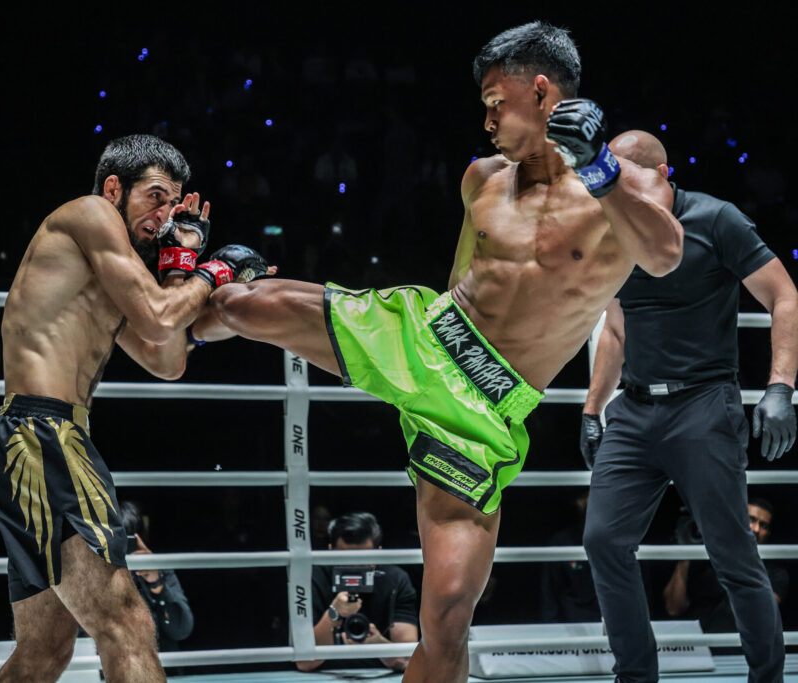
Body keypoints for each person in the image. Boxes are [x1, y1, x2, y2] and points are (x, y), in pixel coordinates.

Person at [191, 22, 683, 681]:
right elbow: (460, 278)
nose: (486, 120)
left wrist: (600, 168)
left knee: (447, 618)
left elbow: (664, 254)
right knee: (248, 302)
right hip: (422, 333)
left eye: (494, 100)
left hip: (480, 410)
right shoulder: (481, 178)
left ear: (540, 91)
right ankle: (170, 298)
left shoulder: (616, 186)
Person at [0, 134, 269, 683]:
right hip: (43, 434)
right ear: (114, 188)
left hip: (40, 441)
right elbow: (163, 318)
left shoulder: (113, 274)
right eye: (156, 198)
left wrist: (186, 266)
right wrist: (216, 271)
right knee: (128, 626)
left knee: (44, 653)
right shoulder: (89, 214)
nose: (164, 216)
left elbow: (169, 360)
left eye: (175, 205)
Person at [579, 129, 797, 682]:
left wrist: (779, 387)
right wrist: (590, 408)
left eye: (634, 185)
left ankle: (767, 677)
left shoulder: (716, 218)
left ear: (664, 172)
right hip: (633, 409)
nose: (626, 199)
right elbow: (616, 327)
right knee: (602, 540)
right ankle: (636, 676)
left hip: (703, 403)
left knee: (732, 554)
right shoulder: (613, 227)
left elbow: (784, 294)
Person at [298, 512, 418, 673]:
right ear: (330, 551)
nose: (353, 565)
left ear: (378, 553)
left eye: (362, 558)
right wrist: (333, 615)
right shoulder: (312, 578)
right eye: (345, 557)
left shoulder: (396, 580)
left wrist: (377, 645)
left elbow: (409, 662)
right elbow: (304, 663)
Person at [664, 497, 789, 633]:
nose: (756, 529)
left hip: (737, 650)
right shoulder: (705, 559)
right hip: (698, 648)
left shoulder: (776, 574)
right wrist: (685, 555)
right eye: (751, 520)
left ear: (768, 534)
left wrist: (745, 557)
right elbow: (674, 608)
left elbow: (758, 616)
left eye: (763, 525)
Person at [119, 501, 194, 652]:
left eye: (128, 543)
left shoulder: (158, 569)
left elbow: (181, 630)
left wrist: (157, 584)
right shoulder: (89, 575)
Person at [539, 490, 602, 623]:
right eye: (585, 495)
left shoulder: (622, 542)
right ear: (578, 502)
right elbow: (549, 596)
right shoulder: (561, 543)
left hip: (611, 624)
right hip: (572, 626)